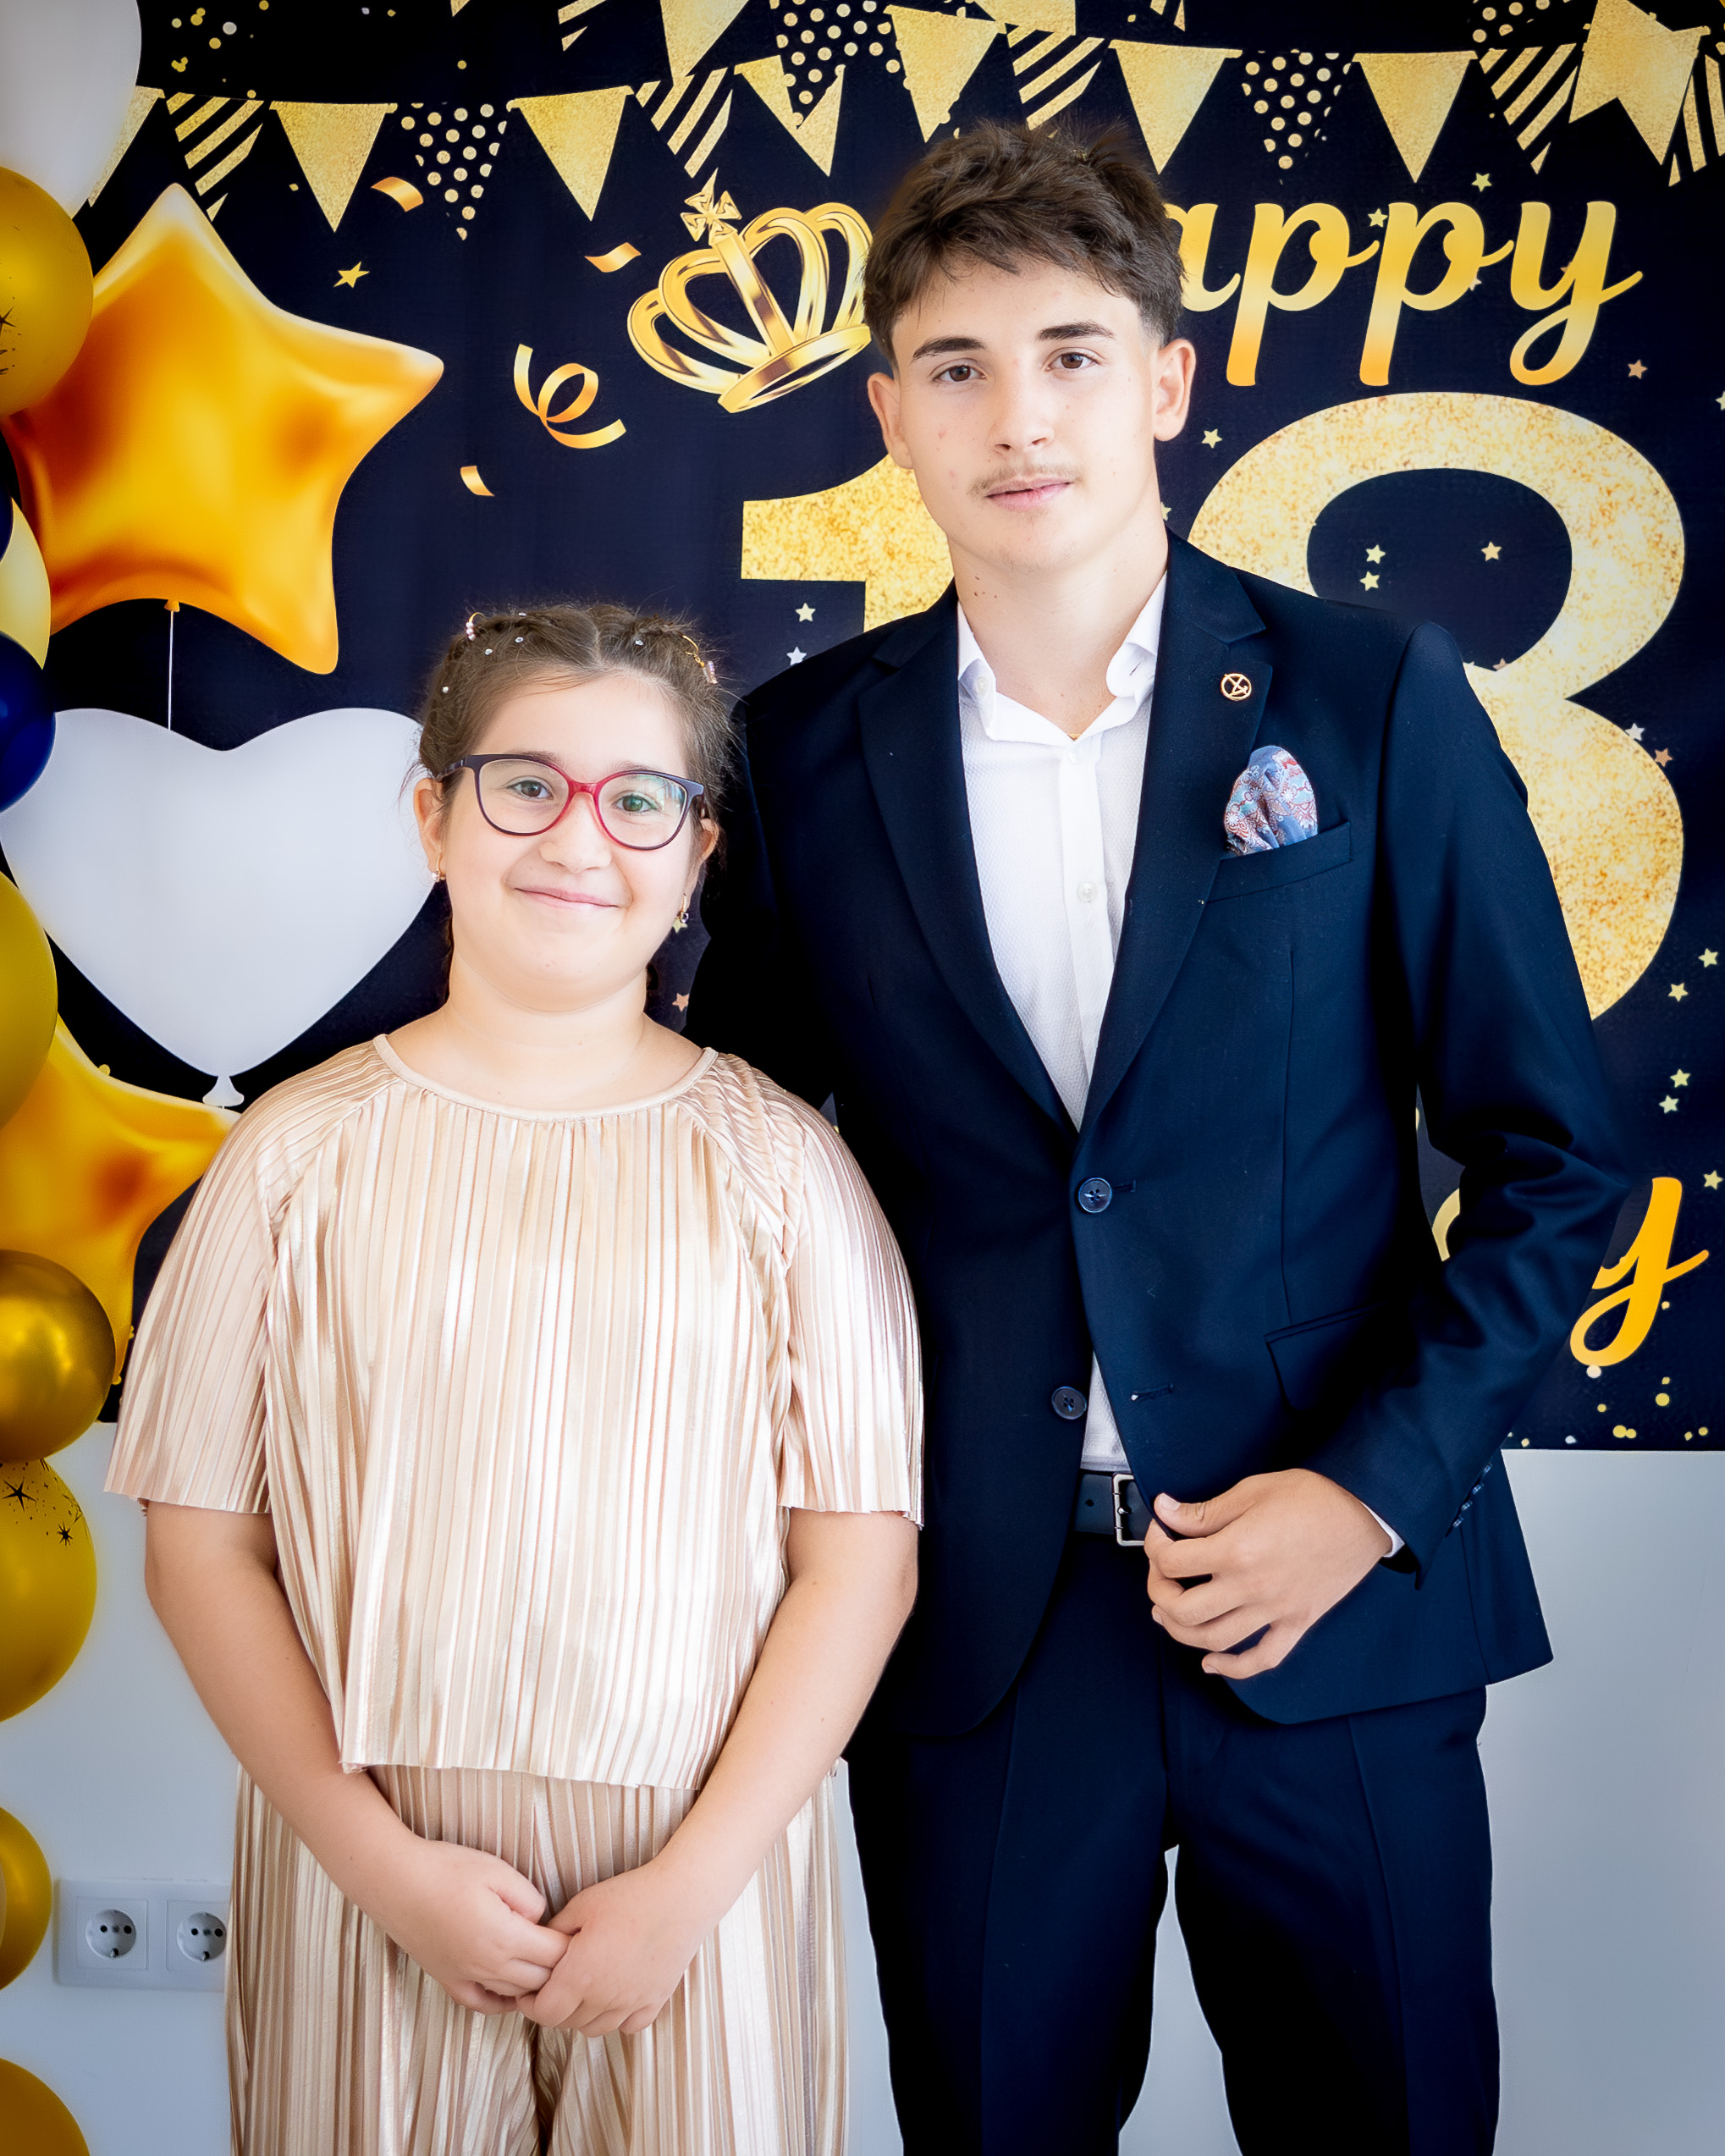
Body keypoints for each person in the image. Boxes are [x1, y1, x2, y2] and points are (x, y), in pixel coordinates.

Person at [686, 125, 1629, 2155]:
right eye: (954, 368)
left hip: (1338, 1599)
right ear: (887, 413)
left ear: (1167, 379)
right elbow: (737, 1180)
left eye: (1068, 355)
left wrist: (1364, 1494)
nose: (1015, 417)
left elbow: (1551, 1158)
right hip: (979, 1627)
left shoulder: (1369, 696)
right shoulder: (797, 755)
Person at [107, 605, 922, 2156]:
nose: (577, 838)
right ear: (433, 816)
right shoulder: (292, 1157)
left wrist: (687, 1889)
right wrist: (376, 1866)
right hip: (370, 1875)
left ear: (697, 855)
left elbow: (858, 1563)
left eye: (638, 800)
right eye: (524, 784)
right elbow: (200, 1548)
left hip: (696, 1884)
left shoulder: (783, 1170)